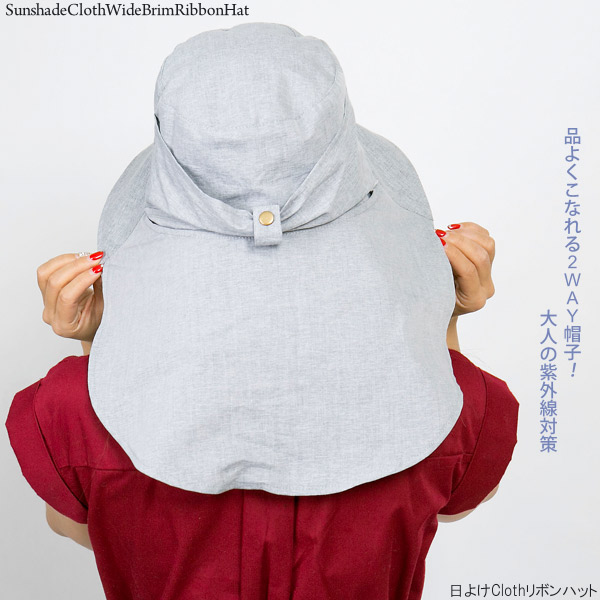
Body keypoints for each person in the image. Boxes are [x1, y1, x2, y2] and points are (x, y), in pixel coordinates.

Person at [6, 23, 518, 600]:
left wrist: (100, 339)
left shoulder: (69, 409)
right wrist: (438, 316)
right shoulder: (465, 402)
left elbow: (83, 529)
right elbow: (452, 490)